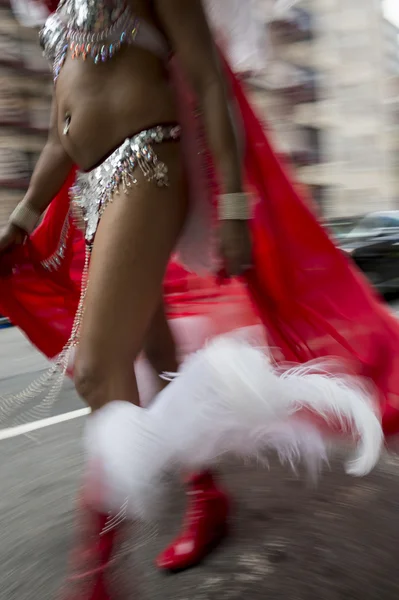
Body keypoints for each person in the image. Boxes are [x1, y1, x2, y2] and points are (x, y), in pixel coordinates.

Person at [0, 0, 396, 598]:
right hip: (96, 185)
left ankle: (96, 578)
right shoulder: (53, 8)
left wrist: (233, 205)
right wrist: (24, 217)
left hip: (146, 163)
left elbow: (209, 81)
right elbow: (64, 124)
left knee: (98, 371)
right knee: (154, 359)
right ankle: (206, 493)